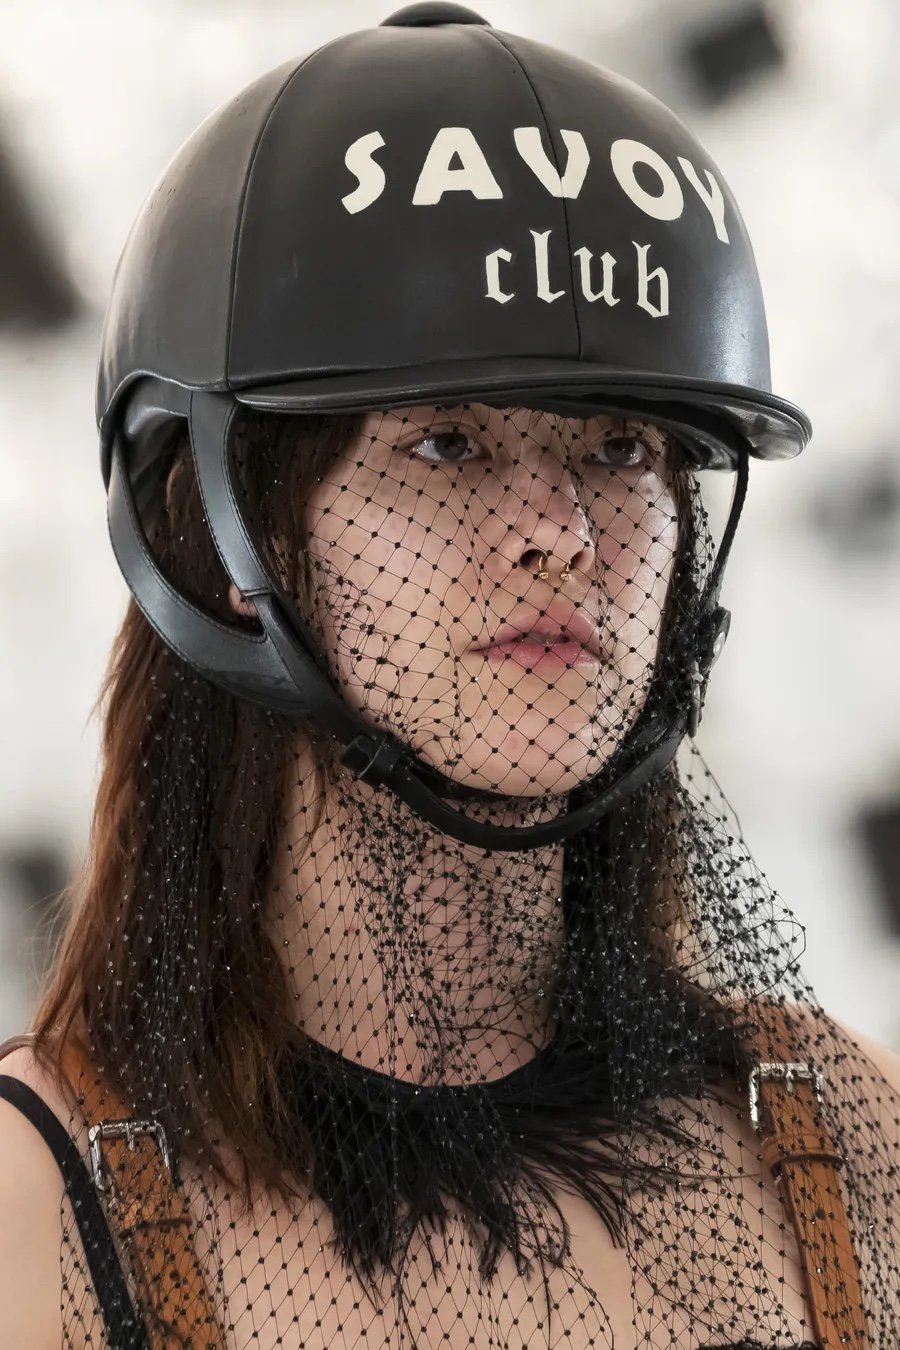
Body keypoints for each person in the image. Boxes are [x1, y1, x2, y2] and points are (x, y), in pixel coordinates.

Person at [0, 5, 898, 1348]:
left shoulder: (848, 1142)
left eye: (620, 450)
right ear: (231, 534)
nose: (561, 532)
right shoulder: (37, 1209)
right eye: (446, 447)